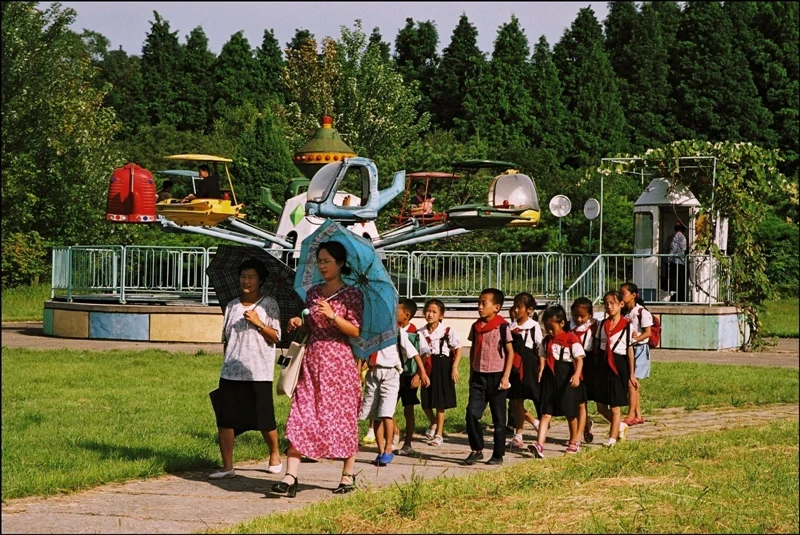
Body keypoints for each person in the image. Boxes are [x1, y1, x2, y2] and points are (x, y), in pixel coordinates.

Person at [276, 241, 363, 497]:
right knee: (302, 413)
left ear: (340, 263)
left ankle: (347, 475)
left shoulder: (352, 295)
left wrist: (334, 316)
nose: (322, 266)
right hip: (312, 362)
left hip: (339, 366)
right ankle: (291, 476)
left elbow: (356, 331)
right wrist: (299, 324)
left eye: (327, 261)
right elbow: (310, 327)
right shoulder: (313, 292)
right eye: (319, 261)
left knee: (343, 417)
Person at [209, 259, 282, 479]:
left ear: (260, 280)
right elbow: (226, 339)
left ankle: (275, 454)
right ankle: (227, 466)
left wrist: (258, 322)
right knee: (225, 420)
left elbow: (276, 337)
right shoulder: (232, 305)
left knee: (264, 418)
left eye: (251, 277)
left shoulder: (269, 304)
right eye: (243, 276)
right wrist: (226, 363)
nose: (246, 281)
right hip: (231, 371)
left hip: (258, 371)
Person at [358, 311, 419, 467]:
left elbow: (414, 353)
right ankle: (380, 451)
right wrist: (358, 370)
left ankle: (388, 449)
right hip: (373, 373)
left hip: (390, 372)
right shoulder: (370, 334)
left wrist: (421, 373)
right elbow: (363, 353)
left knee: (386, 412)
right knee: (374, 414)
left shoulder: (397, 333)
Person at [464, 288, 514, 466]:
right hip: (479, 376)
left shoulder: (502, 326)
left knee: (499, 418)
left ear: (496, 307)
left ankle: (498, 455)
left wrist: (505, 377)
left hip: (497, 376)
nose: (479, 307)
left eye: (483, 303)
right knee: (471, 413)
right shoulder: (476, 327)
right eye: (479, 303)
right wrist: (471, 374)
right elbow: (472, 350)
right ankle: (476, 449)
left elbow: (510, 352)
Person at [530, 305, 586, 458]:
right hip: (550, 378)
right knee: (545, 413)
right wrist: (541, 369)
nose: (549, 331)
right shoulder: (546, 340)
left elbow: (579, 359)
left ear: (561, 323)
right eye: (546, 327)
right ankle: (539, 444)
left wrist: (576, 375)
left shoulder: (571, 339)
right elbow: (542, 355)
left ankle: (574, 441)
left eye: (551, 327)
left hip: (566, 377)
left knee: (570, 412)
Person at [593, 290, 638, 448]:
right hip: (603, 364)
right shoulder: (602, 325)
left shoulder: (627, 326)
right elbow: (597, 346)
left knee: (615, 405)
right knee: (600, 406)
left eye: (612, 303)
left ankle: (611, 440)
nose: (609, 306)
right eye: (606, 303)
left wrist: (632, 375)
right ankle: (619, 426)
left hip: (618, 364)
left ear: (621, 304)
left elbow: (630, 352)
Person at [418, 299, 462, 447]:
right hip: (427, 367)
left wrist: (455, 367)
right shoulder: (420, 332)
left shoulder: (447, 331)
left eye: (434, 312)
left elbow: (458, 348)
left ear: (441, 315)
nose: (430, 314)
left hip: (442, 366)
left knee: (440, 402)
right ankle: (433, 421)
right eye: (428, 311)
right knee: (425, 401)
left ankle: (439, 434)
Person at [506, 292, 543, 452]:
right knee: (515, 401)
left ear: (529, 310)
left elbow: (540, 349)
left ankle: (541, 428)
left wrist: (541, 367)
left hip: (529, 365)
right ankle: (519, 434)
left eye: (519, 307)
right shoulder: (510, 326)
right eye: (514, 307)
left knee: (536, 397)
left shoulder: (533, 326)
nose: (515, 310)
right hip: (514, 365)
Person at [393, 298, 430, 456]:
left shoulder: (416, 334)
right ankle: (394, 433)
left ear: (406, 315)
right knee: (388, 409)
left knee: (409, 410)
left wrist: (418, 374)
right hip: (393, 374)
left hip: (409, 376)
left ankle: (408, 443)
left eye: (397, 310)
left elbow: (423, 354)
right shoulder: (392, 330)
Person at [620, 282, 653, 427]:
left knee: (631, 384)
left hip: (639, 349)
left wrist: (635, 339)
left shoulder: (642, 312)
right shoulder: (625, 313)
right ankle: (638, 415)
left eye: (624, 293)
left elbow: (648, 332)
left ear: (633, 295)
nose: (621, 296)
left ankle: (631, 414)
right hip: (629, 349)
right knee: (632, 384)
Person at [569, 297, 597, 445]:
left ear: (590, 315)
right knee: (573, 400)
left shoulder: (594, 327)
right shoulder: (568, 327)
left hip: (588, 365)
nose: (579, 319)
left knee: (581, 400)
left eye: (582, 316)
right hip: (571, 364)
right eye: (576, 316)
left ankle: (578, 434)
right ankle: (585, 424)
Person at [667, 221, 688, 302]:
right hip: (680, 262)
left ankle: (674, 298)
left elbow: (667, 248)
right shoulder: (683, 238)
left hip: (672, 262)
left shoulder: (670, 237)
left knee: (673, 281)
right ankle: (680, 298)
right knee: (680, 282)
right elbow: (684, 249)